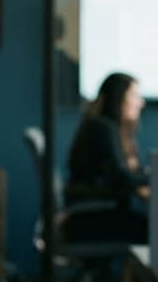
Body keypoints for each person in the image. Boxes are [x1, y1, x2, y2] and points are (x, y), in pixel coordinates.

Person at [64, 71, 149, 243]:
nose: (141, 103)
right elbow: (121, 177)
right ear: (118, 98)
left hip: (87, 215)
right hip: (91, 219)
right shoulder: (104, 128)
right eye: (134, 95)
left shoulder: (100, 125)